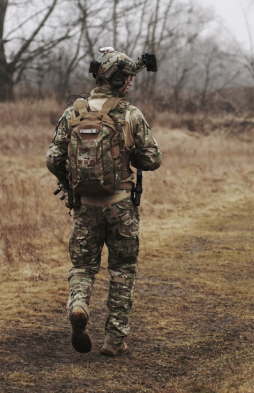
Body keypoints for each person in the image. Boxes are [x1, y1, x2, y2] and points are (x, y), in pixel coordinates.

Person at [46, 47, 162, 357]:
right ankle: (114, 341)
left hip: (85, 206)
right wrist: (129, 154)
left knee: (83, 267)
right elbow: (152, 160)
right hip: (121, 205)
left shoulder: (74, 112)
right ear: (122, 81)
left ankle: (80, 304)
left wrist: (69, 185)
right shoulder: (129, 114)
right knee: (122, 271)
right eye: (129, 80)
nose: (131, 85)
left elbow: (53, 158)